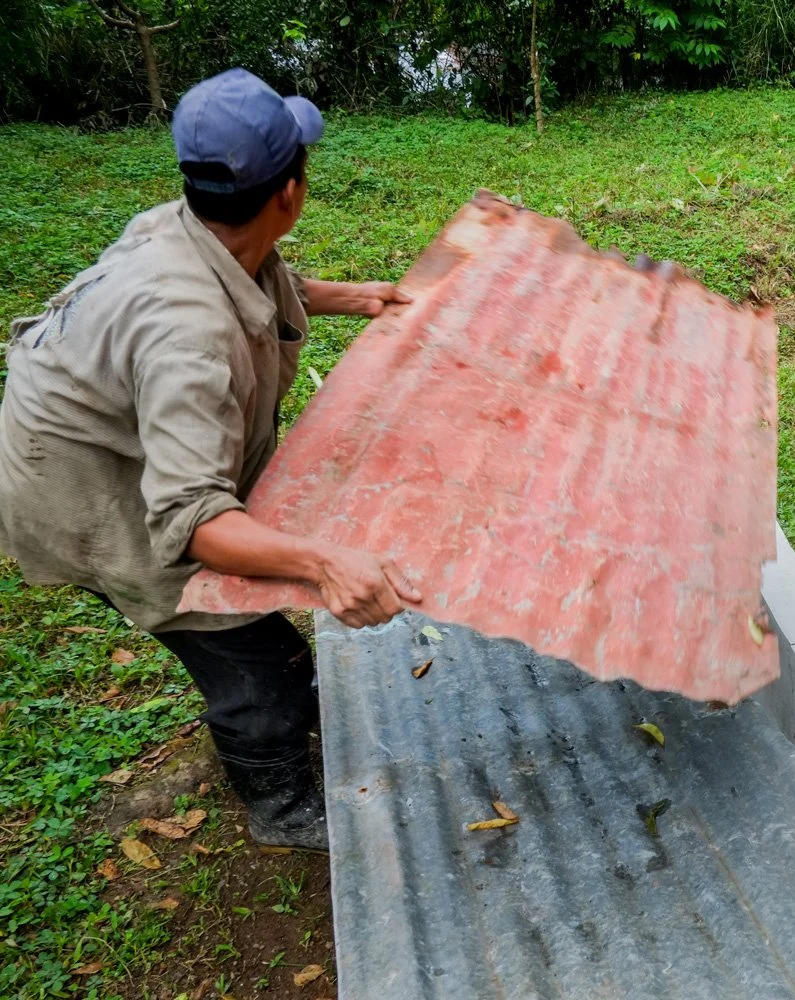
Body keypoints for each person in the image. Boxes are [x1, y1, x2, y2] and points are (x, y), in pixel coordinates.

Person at [0, 69, 421, 851]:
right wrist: (326, 562)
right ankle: (281, 804)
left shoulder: (191, 225)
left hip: (109, 427)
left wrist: (356, 295)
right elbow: (192, 519)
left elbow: (262, 275)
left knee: (255, 614)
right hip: (81, 480)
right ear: (290, 194)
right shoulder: (188, 343)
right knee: (254, 656)